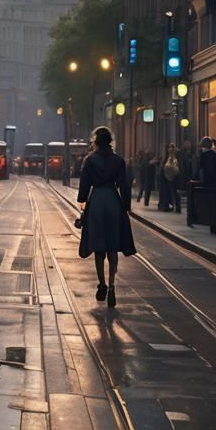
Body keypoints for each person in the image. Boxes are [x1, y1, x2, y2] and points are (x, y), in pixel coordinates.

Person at [77, 126, 134, 308]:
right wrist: (125, 205)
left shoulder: (90, 160)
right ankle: (112, 286)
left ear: (96, 142)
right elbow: (124, 185)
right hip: (112, 199)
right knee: (113, 246)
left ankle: (101, 283)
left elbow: (84, 184)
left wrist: (82, 200)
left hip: (96, 202)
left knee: (99, 247)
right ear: (110, 142)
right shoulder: (118, 161)